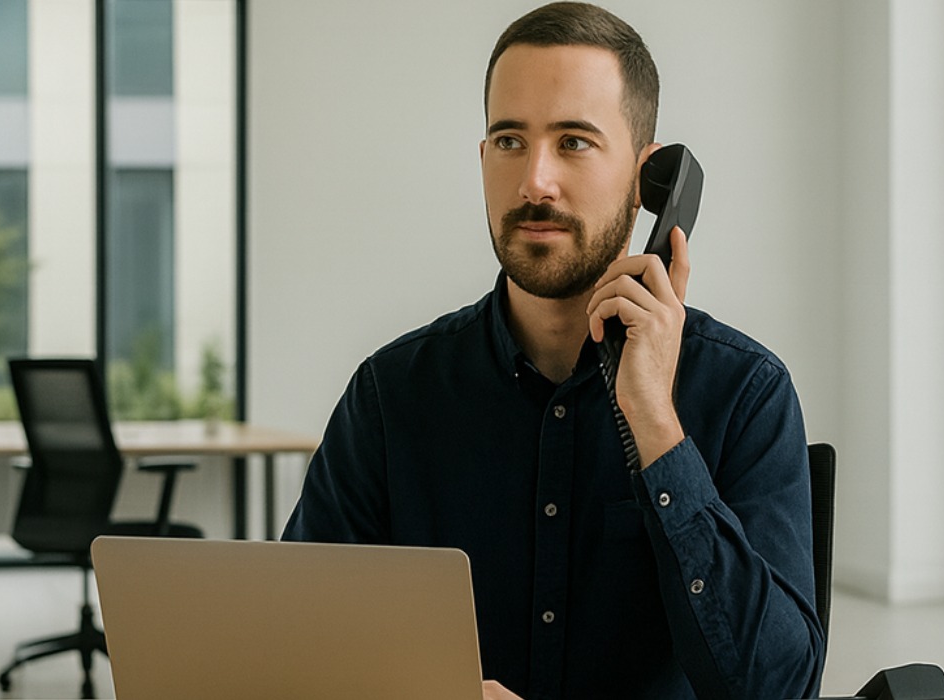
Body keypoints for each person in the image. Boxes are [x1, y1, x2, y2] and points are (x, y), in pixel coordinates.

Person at [280, 3, 823, 699]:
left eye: (574, 142)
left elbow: (779, 689)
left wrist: (656, 425)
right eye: (509, 141)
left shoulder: (746, 392)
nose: (535, 180)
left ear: (648, 179)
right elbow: (304, 644)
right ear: (483, 158)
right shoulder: (392, 395)